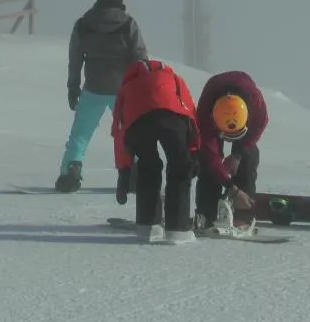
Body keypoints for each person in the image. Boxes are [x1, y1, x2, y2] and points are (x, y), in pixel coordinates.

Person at [56, 0, 148, 193]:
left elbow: (75, 57)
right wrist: (142, 88)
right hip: (124, 90)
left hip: (93, 88)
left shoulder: (84, 24)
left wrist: (73, 86)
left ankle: (71, 170)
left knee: (80, 134)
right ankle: (133, 173)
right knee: (129, 133)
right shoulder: (128, 24)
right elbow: (140, 58)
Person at [112, 59, 200, 243]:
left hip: (138, 124)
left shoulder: (127, 87)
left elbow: (119, 131)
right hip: (173, 119)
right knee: (179, 166)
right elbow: (191, 113)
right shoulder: (175, 79)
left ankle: (147, 226)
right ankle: (178, 229)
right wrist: (193, 152)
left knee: (147, 165)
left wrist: (124, 171)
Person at [194, 71, 269, 233]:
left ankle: (243, 215)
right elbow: (210, 156)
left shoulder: (256, 106)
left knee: (249, 156)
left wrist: (237, 155)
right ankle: (206, 213)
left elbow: (258, 128)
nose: (230, 139)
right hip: (213, 92)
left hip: (244, 95)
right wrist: (232, 189)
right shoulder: (205, 114)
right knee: (207, 163)